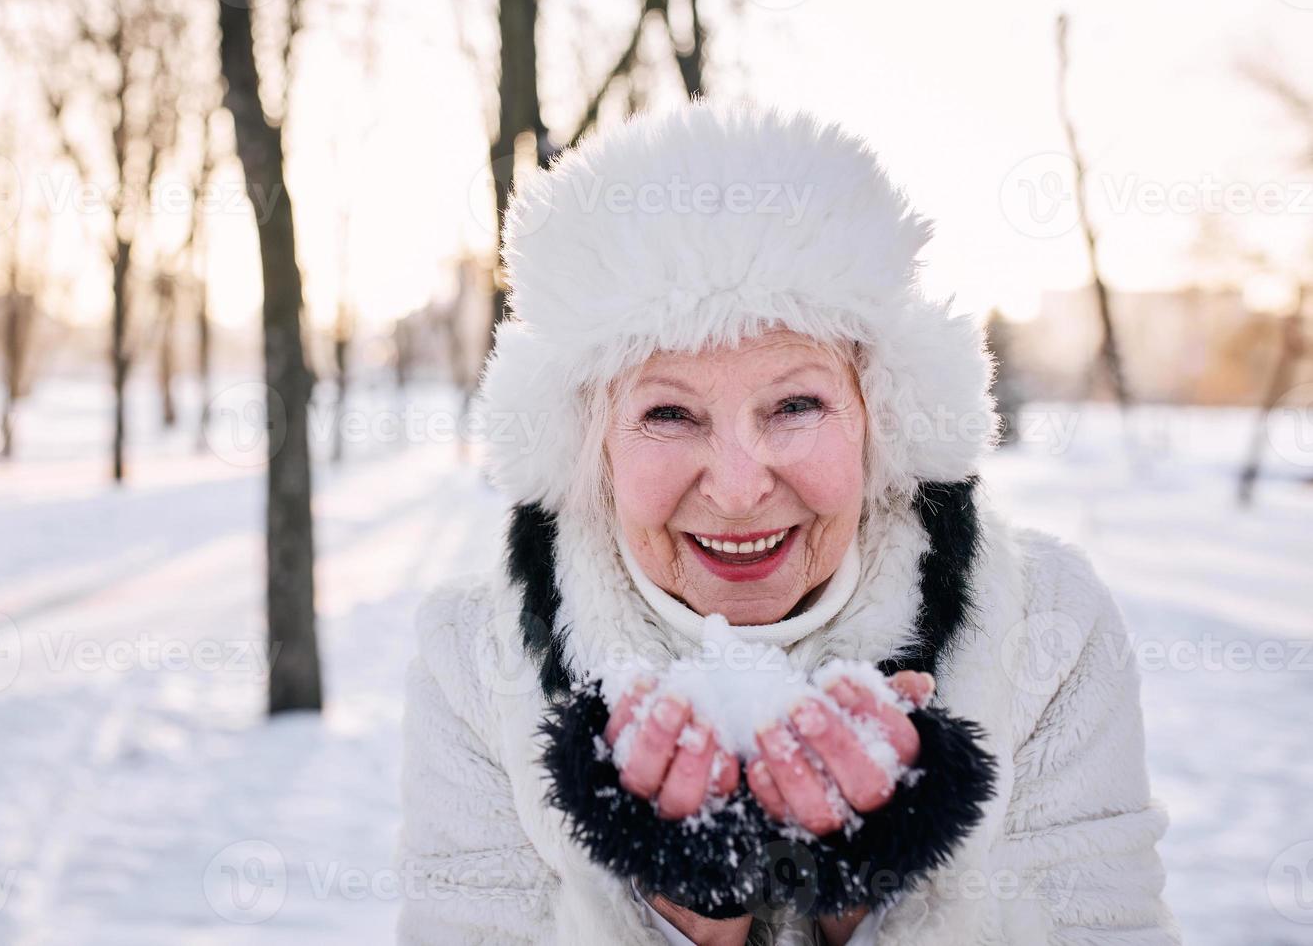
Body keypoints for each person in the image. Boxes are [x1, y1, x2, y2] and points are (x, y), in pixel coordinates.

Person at [396, 99, 1179, 945]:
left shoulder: (1044, 627)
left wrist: (882, 901)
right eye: (668, 415)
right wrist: (672, 922)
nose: (737, 489)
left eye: (797, 404)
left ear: (882, 414)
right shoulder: (477, 660)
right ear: (590, 442)